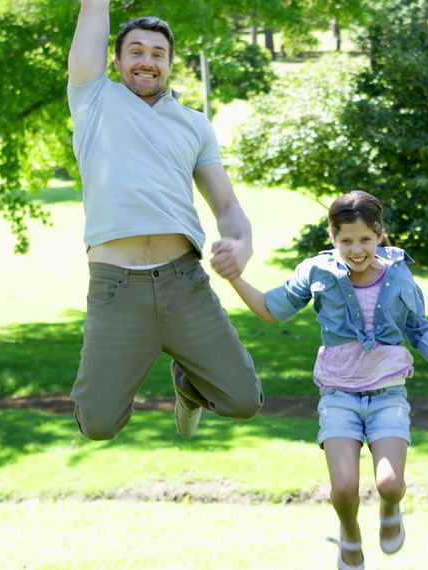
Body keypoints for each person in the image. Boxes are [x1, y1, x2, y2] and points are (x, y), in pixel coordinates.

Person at [226, 191, 428, 570]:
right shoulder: (317, 271)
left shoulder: (399, 273)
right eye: (346, 241)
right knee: (343, 488)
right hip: (339, 393)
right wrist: (235, 278)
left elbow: (418, 327)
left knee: (390, 483)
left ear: (379, 234)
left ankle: (391, 510)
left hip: (387, 393)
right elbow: (270, 309)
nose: (356, 250)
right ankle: (350, 533)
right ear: (332, 237)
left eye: (364, 240)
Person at [66, 0, 262, 441]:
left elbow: (228, 208)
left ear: (171, 65)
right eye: (135, 51)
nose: (146, 61)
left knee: (243, 400)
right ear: (114, 61)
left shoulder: (194, 125)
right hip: (116, 287)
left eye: (158, 53)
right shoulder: (93, 98)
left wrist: (241, 245)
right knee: (98, 425)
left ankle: (188, 387)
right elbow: (93, 13)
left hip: (183, 282)